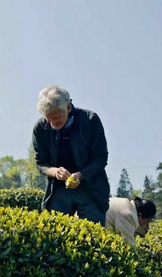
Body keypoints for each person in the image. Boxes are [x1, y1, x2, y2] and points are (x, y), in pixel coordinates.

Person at [32, 85, 110, 225]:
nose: (52, 123)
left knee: (92, 237)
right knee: (54, 233)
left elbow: (100, 158)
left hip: (91, 189)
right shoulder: (40, 128)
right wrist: (55, 172)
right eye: (48, 119)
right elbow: (41, 163)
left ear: (68, 107)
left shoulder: (90, 120)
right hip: (58, 190)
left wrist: (81, 174)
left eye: (56, 117)